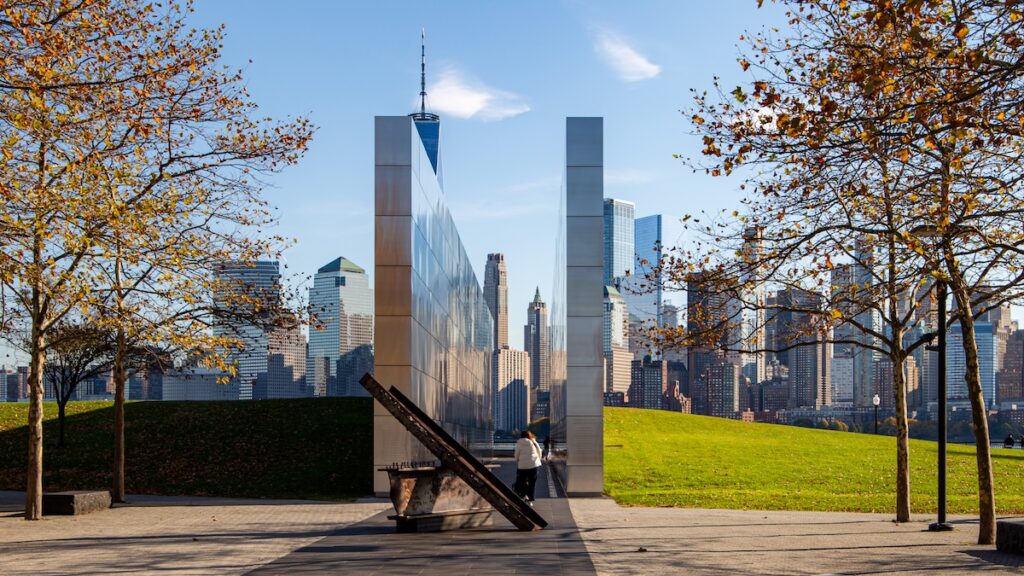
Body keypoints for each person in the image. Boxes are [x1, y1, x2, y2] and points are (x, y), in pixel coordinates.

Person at [513, 430, 543, 503]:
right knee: (532, 482)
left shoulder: (519, 443)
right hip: (534, 465)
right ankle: (531, 497)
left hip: (522, 466)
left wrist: (518, 461)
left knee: (522, 481)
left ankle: (522, 494)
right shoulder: (533, 442)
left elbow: (516, 454)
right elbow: (539, 451)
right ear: (529, 435)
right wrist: (538, 460)